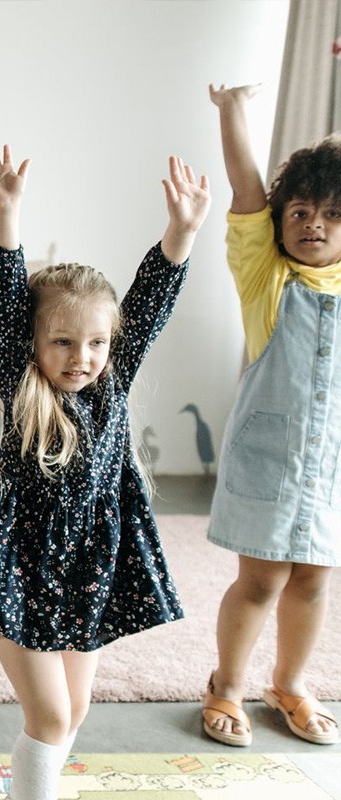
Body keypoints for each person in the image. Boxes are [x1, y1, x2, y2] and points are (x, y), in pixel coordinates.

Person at [0, 148, 209, 800]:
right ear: (35, 344)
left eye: (96, 343)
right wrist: (4, 215)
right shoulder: (18, 373)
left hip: (92, 567)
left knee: (76, 709)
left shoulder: (115, 374)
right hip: (24, 567)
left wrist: (183, 231)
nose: (83, 356)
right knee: (49, 713)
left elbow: (152, 301)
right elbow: (3, 297)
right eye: (64, 341)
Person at [201, 84, 341, 748]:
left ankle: (290, 683)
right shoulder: (268, 278)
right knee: (260, 582)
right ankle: (226, 686)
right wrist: (233, 112)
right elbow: (249, 192)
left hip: (330, 468)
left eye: (333, 214)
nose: (315, 223)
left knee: (313, 581)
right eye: (303, 212)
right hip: (268, 463)